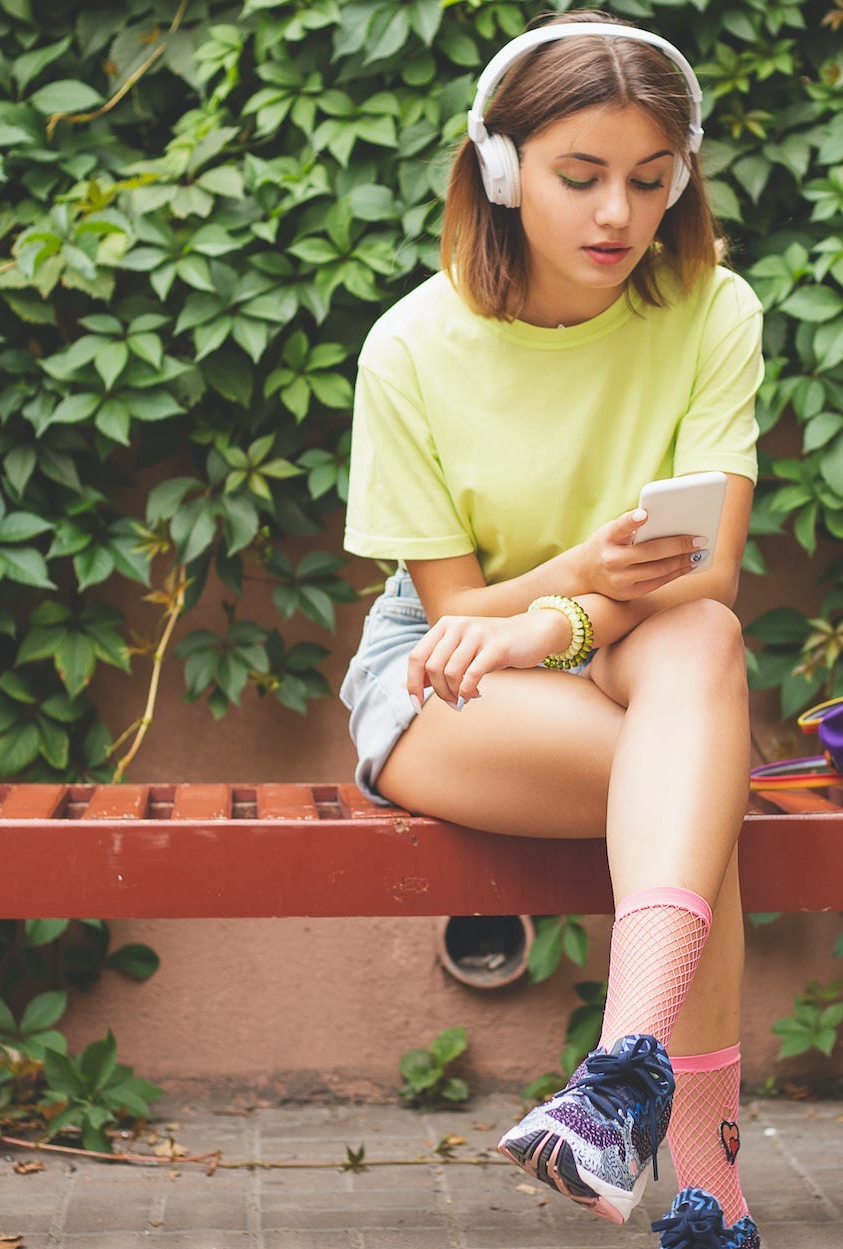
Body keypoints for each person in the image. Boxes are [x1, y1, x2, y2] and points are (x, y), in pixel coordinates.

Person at [334, 11, 764, 1248]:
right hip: (441, 680)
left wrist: (564, 618)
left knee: (703, 652)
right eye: (580, 178)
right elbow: (454, 613)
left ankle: (618, 1078)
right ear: (504, 171)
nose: (616, 217)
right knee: (697, 787)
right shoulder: (410, 348)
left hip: (631, 644)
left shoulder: (711, 309)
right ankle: (710, 1203)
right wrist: (568, 584)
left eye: (646, 180)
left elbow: (709, 569)